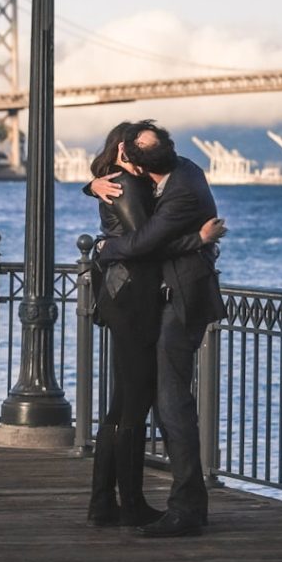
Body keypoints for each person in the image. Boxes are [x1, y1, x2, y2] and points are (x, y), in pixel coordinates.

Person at [84, 122, 225, 529]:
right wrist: (197, 239)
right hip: (131, 299)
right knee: (133, 403)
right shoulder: (128, 185)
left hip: (134, 297)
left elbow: (144, 241)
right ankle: (125, 504)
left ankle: (109, 504)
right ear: (125, 154)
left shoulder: (150, 183)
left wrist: (94, 198)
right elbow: (146, 243)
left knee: (128, 402)